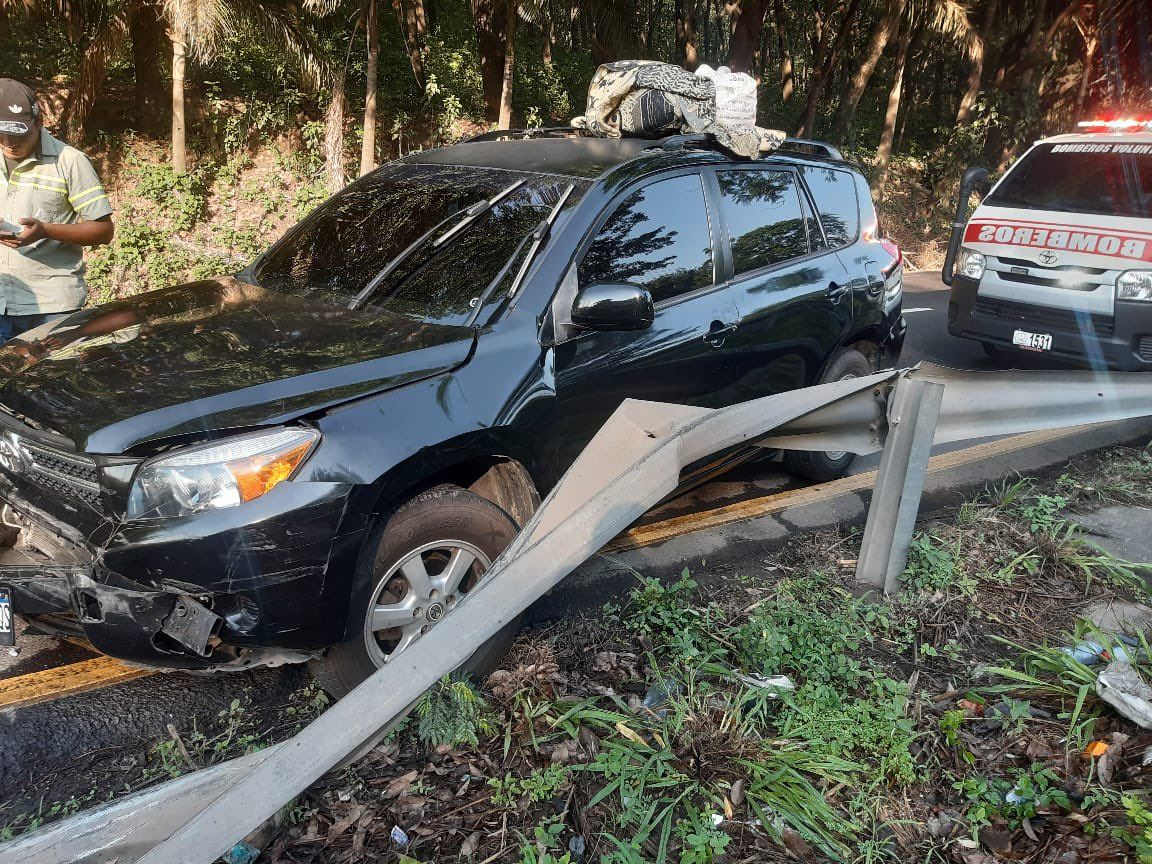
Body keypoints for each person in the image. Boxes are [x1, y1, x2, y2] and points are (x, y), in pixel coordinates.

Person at [0, 78, 114, 344]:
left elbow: (103, 230)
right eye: (1, 135)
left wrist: (45, 230)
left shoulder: (70, 162)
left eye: (18, 135)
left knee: (51, 385)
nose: (9, 143)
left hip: (52, 308)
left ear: (39, 123)